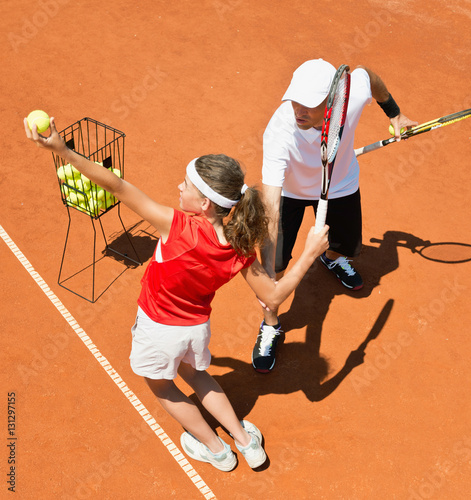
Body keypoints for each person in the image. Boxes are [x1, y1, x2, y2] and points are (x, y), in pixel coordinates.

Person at [24, 117, 329, 472]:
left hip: (158, 330)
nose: (178, 187)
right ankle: (246, 442)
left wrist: (63, 151)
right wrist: (308, 254)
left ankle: (216, 449)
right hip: (195, 331)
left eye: (186, 185)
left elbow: (116, 185)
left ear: (204, 205)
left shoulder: (175, 225)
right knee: (199, 376)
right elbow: (274, 296)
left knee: (162, 387)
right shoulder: (238, 248)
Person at [252, 58, 417, 373]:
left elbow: (371, 77)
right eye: (295, 100)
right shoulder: (280, 131)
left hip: (340, 184)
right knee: (273, 264)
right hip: (291, 191)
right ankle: (271, 324)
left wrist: (394, 113)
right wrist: (269, 266)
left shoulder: (352, 94)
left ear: (332, 100)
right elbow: (271, 202)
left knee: (343, 242)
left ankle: (330, 257)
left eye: (309, 105)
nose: (299, 110)